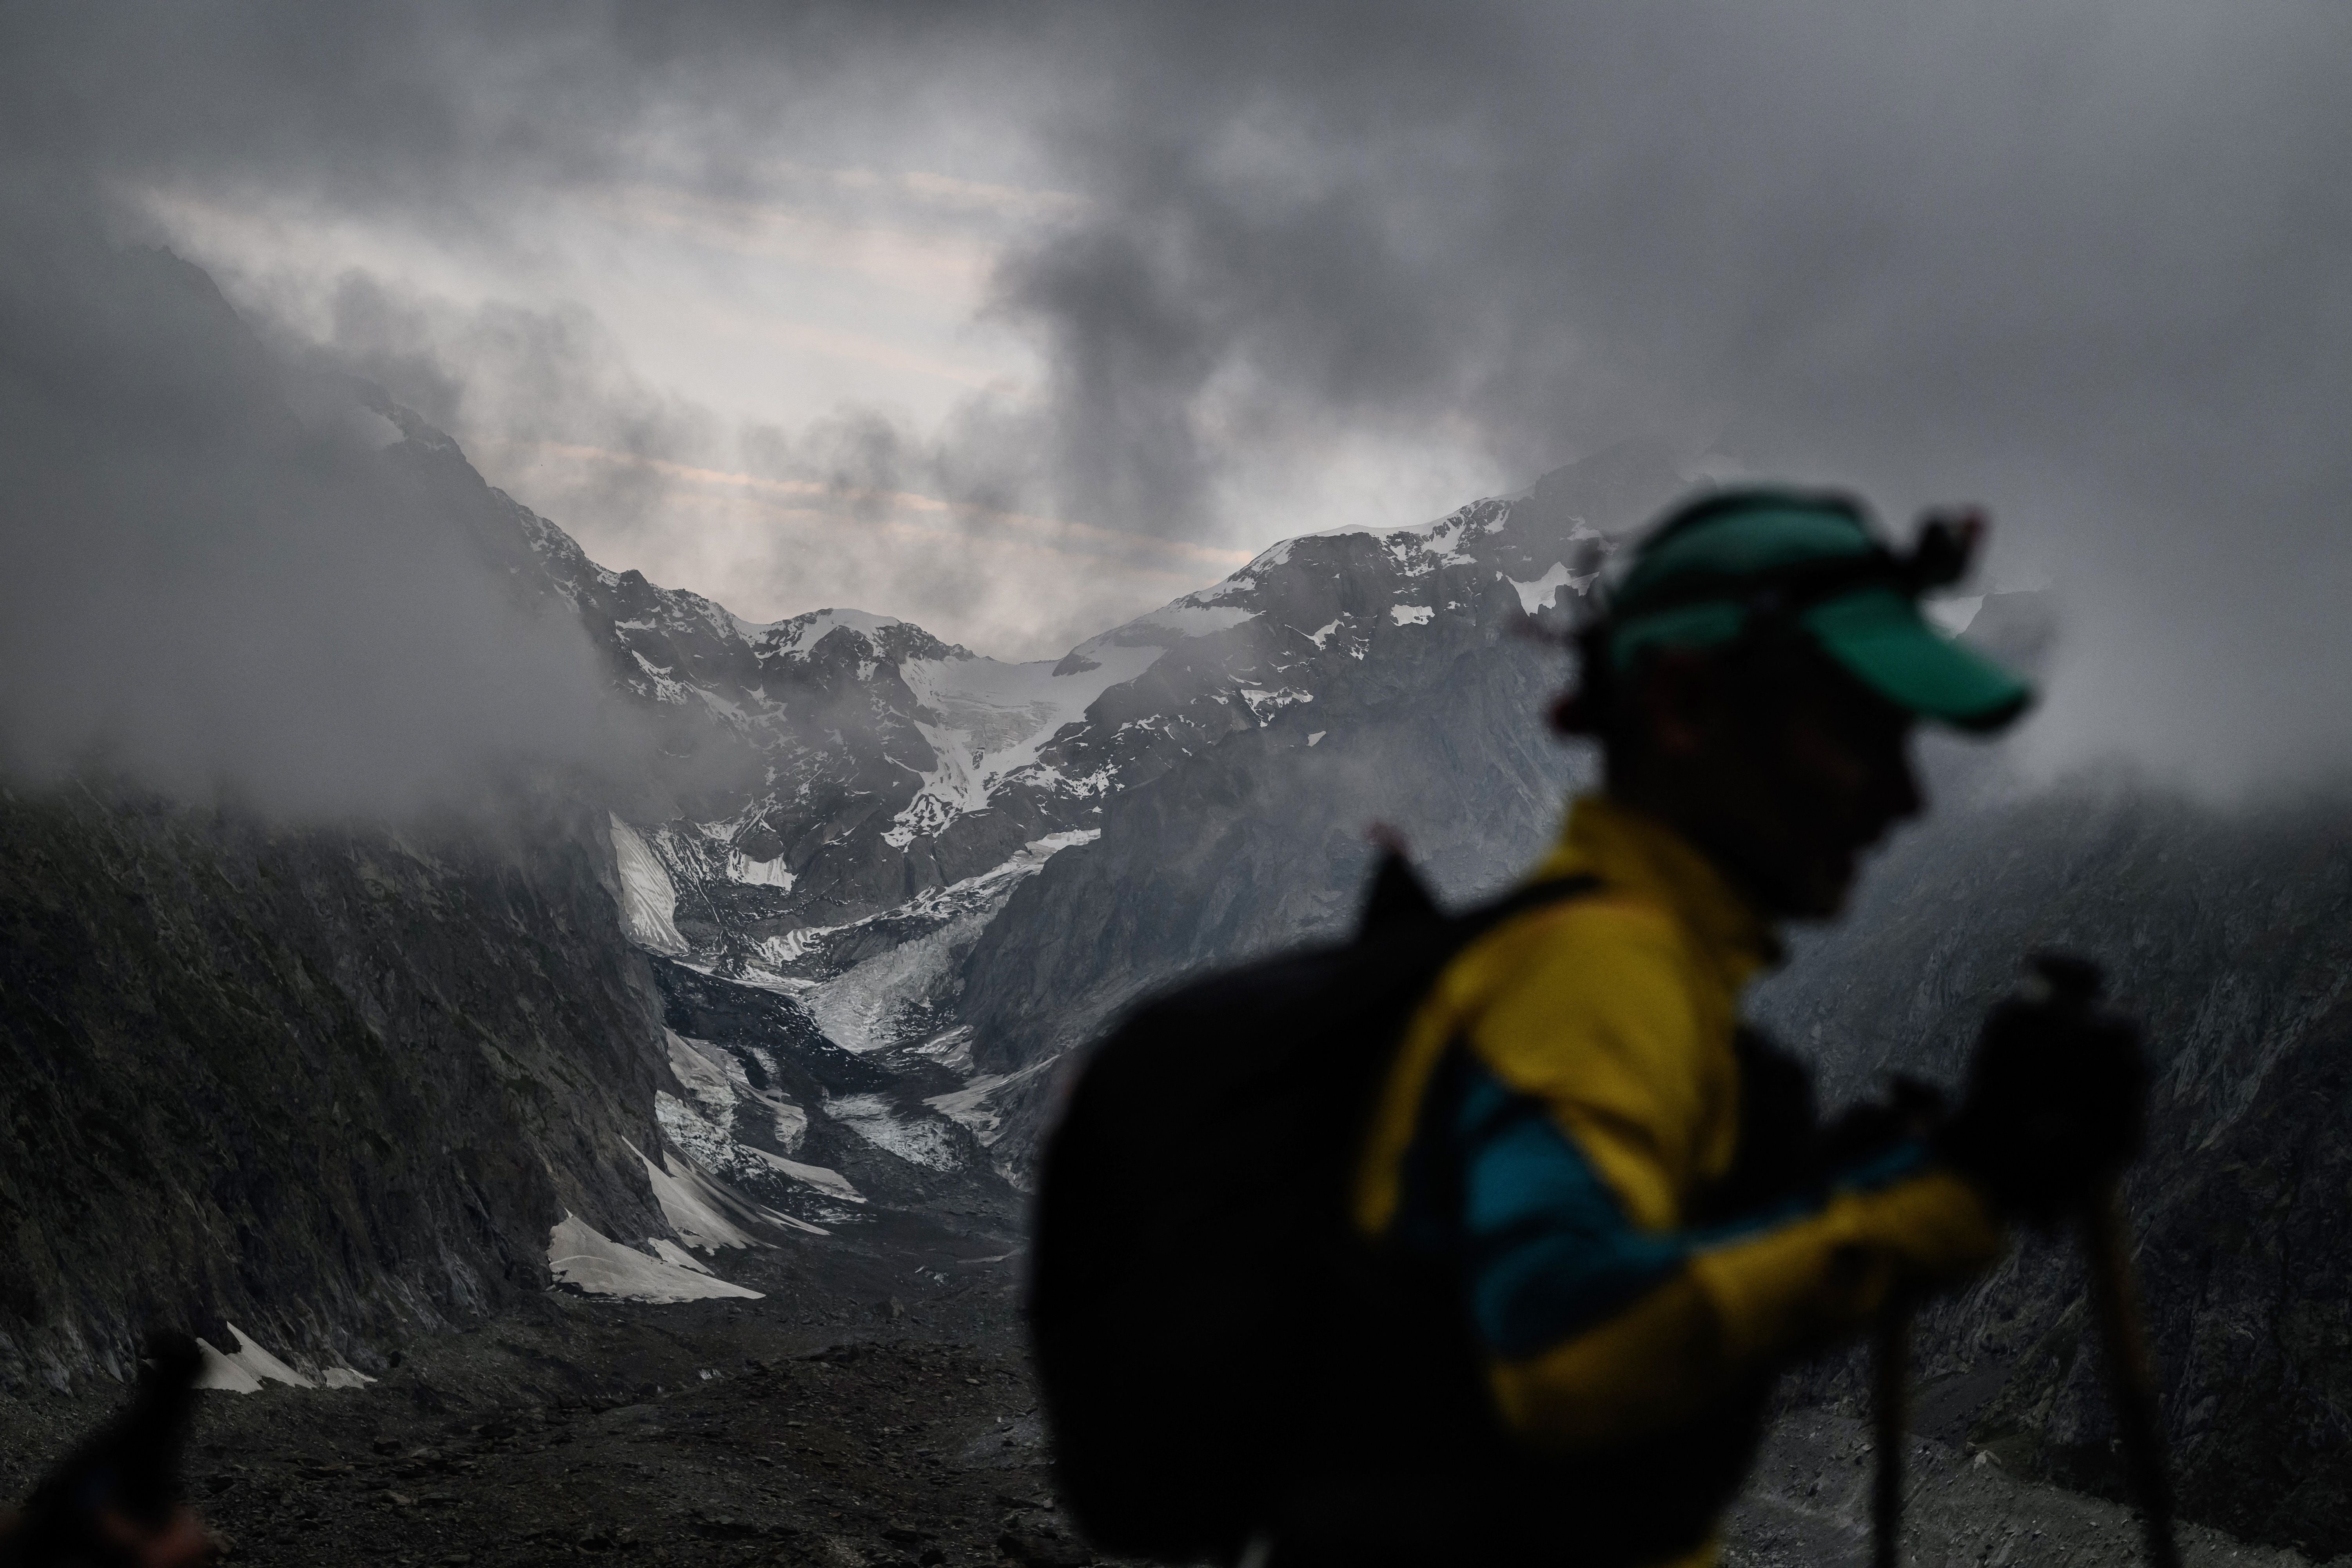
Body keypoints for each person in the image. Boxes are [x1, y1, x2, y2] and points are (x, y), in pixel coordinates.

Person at [1280, 487, 2143, 1567]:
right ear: (1686, 710)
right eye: (1858, 733)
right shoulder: (1602, 976)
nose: (1902, 796)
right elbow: (1566, 1341)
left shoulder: (1607, 963)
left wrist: (1843, 1195)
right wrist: (1958, 1189)